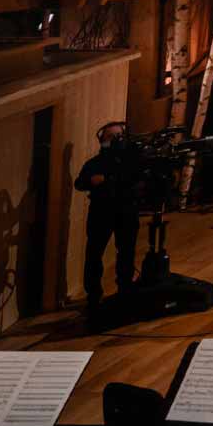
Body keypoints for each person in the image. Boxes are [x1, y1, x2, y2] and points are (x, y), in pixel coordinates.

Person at [76, 122, 142, 312]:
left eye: (117, 136)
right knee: (94, 254)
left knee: (126, 253)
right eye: (110, 137)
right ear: (102, 140)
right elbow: (79, 183)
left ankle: (125, 290)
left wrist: (108, 179)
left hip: (126, 211)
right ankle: (94, 296)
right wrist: (91, 181)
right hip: (101, 212)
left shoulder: (130, 161)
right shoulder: (94, 163)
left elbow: (134, 178)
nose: (114, 141)